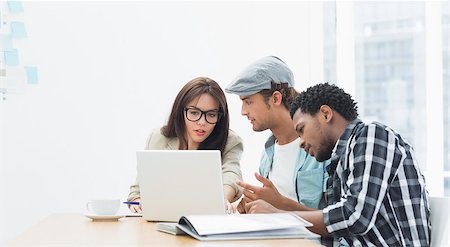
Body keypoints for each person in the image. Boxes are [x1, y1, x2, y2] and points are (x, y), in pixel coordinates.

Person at [245, 83, 431, 246]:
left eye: (302, 130)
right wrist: (279, 209)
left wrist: (279, 217)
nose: (300, 142)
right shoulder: (340, 161)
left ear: (325, 114)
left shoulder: (372, 134)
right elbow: (334, 224)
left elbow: (354, 218)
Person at [225, 56, 329, 212]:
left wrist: (279, 206)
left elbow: (337, 222)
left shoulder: (322, 146)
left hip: (309, 237)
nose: (243, 112)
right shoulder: (268, 153)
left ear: (276, 98)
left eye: (248, 101)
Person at [127, 77, 244, 214]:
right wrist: (137, 201)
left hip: (205, 221)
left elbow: (231, 174)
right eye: (194, 113)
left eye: (211, 115)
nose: (202, 122)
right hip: (160, 221)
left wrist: (222, 200)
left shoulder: (231, 141)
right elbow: (137, 191)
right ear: (180, 111)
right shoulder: (158, 138)